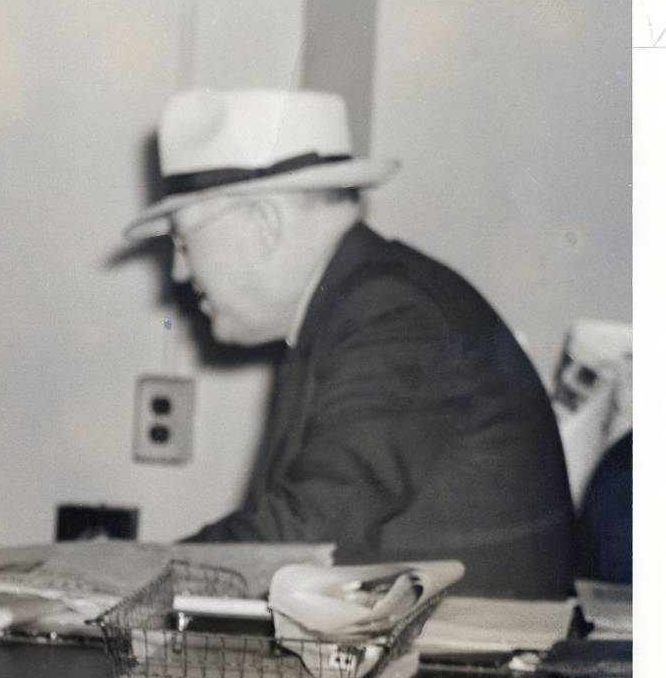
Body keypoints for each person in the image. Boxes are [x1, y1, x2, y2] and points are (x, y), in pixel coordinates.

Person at [126, 89, 576, 598]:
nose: (180, 272)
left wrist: (116, 579)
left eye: (182, 242)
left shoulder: (394, 318)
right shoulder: (357, 307)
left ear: (264, 224)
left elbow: (297, 537)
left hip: (470, 669)